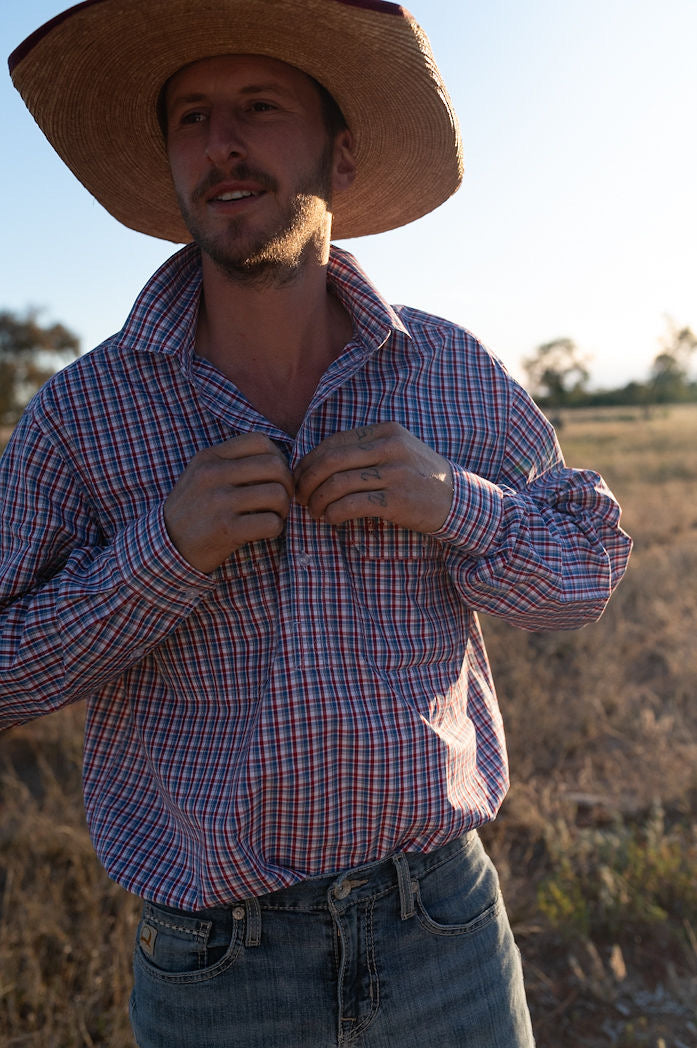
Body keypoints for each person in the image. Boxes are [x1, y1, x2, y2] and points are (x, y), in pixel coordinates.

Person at [3, 2, 631, 1045]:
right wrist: (164, 553)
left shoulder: (445, 372)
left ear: (340, 156)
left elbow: (585, 571)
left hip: (442, 936)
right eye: (192, 118)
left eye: (258, 107)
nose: (222, 144)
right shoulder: (83, 414)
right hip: (215, 971)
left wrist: (452, 502)